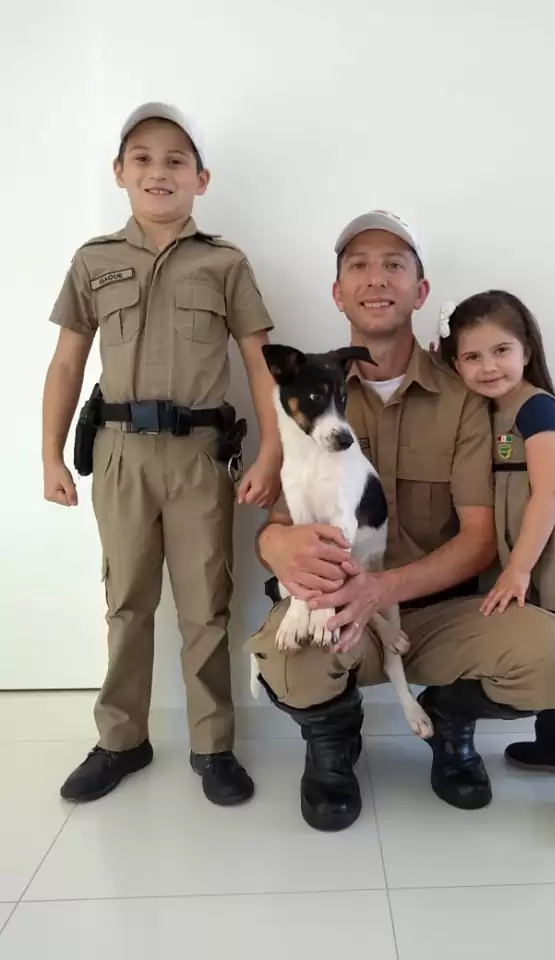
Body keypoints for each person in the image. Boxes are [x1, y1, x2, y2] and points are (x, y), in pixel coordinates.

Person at [246, 209, 555, 833]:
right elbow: (278, 520)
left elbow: (479, 538)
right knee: (286, 660)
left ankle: (451, 720)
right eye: (358, 265)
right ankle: (332, 745)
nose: (376, 279)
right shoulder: (303, 391)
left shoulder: (464, 397)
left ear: (420, 290)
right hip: (337, 603)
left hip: (435, 611)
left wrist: (384, 588)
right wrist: (277, 549)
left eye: (394, 265)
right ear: (338, 291)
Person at [42, 102, 282, 806]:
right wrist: (51, 456)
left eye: (176, 160)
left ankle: (214, 747)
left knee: (207, 605)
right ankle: (122, 739)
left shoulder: (225, 263)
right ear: (119, 172)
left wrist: (269, 453)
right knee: (127, 602)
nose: (158, 171)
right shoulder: (94, 261)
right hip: (118, 455)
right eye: (142, 158)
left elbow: (261, 363)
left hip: (201, 457)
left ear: (201, 178)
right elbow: (65, 365)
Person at [435, 290, 555, 846]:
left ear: (527, 351)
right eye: (471, 357)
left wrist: (517, 569)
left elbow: (546, 493)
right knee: (543, 649)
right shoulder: (484, 411)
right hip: (518, 553)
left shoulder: (535, 407)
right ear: (455, 364)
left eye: (501, 350)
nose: (488, 366)